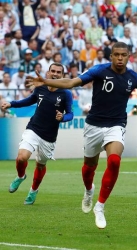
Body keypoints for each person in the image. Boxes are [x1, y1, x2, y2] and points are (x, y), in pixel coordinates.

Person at [26, 42, 137, 229]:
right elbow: (71, 83)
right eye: (116, 55)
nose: (120, 58)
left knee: (114, 160)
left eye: (124, 55)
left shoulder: (133, 78)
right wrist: (47, 81)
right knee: (89, 168)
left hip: (116, 125)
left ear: (129, 56)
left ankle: (100, 206)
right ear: (111, 56)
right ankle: (89, 191)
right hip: (93, 126)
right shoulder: (99, 70)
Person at [1, 63, 73, 205]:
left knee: (40, 165)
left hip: (49, 136)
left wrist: (63, 118)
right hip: (34, 128)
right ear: (48, 73)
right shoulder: (40, 88)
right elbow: (29, 100)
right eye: (53, 71)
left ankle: (33, 190)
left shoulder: (66, 93)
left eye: (59, 72)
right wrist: (11, 104)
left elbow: (70, 114)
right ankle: (21, 176)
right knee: (22, 158)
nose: (55, 74)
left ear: (63, 76)